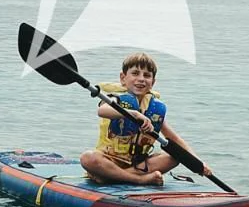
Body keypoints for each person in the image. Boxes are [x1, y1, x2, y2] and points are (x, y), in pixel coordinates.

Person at [79, 52, 190, 187]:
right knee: (88, 158)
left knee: (176, 156)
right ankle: (139, 180)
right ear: (123, 78)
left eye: (147, 75)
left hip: (137, 165)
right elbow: (102, 111)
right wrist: (134, 114)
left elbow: (175, 139)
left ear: (153, 82)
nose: (141, 79)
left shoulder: (153, 107)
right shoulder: (115, 98)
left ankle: (113, 176)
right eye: (135, 73)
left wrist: (200, 164)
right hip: (110, 159)